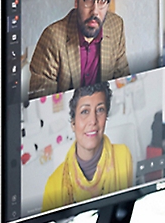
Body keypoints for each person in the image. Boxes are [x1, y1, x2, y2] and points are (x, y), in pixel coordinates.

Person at [28, 0, 129, 99]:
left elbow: (122, 84)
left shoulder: (117, 26)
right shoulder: (52, 39)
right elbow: (44, 102)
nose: (95, 11)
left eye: (103, 0)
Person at [42, 81, 134, 212]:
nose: (93, 121)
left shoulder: (122, 155)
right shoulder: (53, 184)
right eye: (85, 111)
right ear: (73, 123)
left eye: (100, 110)